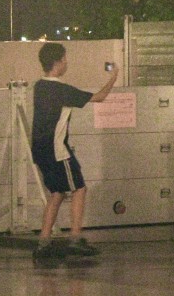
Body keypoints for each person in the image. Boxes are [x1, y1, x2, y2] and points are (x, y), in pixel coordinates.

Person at [30, 42, 118, 258]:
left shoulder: (39, 87)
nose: (67, 63)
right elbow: (99, 97)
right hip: (57, 150)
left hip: (40, 150)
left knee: (57, 193)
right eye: (65, 59)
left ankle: (43, 242)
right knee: (79, 189)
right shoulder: (62, 90)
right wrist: (113, 77)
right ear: (58, 62)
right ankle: (75, 239)